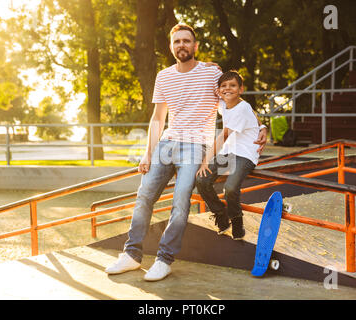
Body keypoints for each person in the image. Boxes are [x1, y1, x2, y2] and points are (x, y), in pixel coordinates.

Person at [105, 24, 267, 281]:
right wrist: (148, 153)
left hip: (196, 147)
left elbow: (234, 100)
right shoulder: (164, 76)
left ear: (195, 46)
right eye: (177, 41)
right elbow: (158, 117)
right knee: (144, 196)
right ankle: (132, 255)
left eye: (186, 41)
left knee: (180, 202)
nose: (182, 45)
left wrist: (261, 125)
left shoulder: (211, 73)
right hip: (166, 144)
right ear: (171, 47)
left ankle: (164, 259)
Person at [196, 70, 266, 240]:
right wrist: (208, 66)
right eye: (224, 86)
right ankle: (220, 214)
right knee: (201, 180)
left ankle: (236, 220)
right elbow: (213, 83)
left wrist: (206, 161)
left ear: (241, 89)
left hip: (246, 154)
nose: (228, 89)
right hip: (229, 151)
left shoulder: (242, 108)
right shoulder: (223, 103)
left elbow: (223, 136)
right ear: (220, 90)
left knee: (231, 188)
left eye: (233, 85)